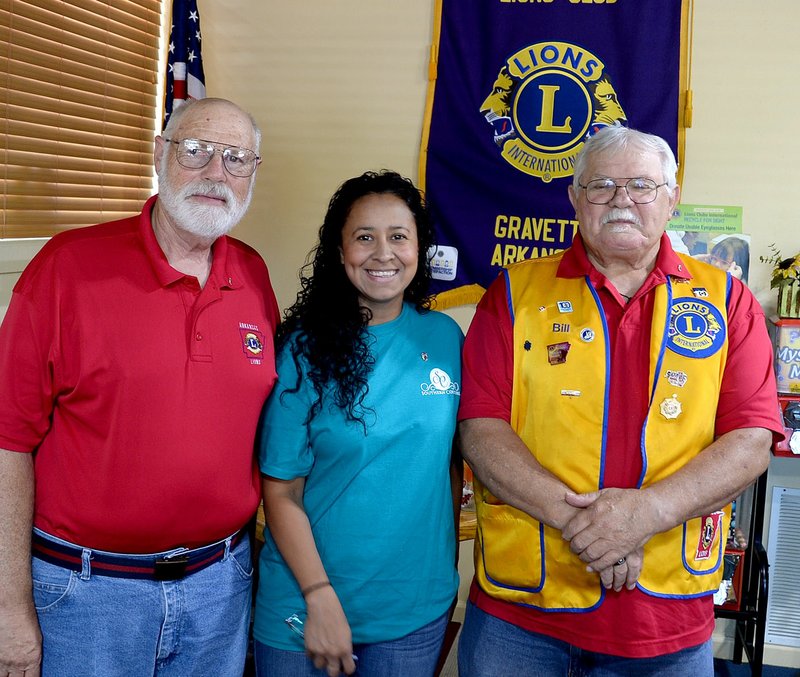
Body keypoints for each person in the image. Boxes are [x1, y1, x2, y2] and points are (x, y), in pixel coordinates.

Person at [457, 127, 784, 676]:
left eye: (641, 186)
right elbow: (480, 429)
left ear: (672, 198)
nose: (621, 201)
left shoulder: (729, 301)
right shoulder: (514, 293)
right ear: (574, 197)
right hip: (523, 614)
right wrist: (597, 531)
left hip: (666, 621)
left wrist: (643, 516)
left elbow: (750, 443)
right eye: (602, 185)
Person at [0, 98, 280, 677]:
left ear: (253, 172)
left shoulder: (253, 275)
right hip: (84, 595)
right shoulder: (67, 269)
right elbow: (7, 442)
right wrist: (7, 608)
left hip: (219, 589)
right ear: (160, 154)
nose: (215, 174)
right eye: (197, 151)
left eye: (236, 159)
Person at [253, 170, 462, 677]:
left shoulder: (447, 338)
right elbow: (281, 491)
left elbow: (451, 464)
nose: (382, 253)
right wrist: (318, 596)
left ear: (419, 247)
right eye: (364, 237)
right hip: (304, 609)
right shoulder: (302, 351)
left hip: (414, 610)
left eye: (399, 237)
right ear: (339, 250)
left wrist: (442, 570)